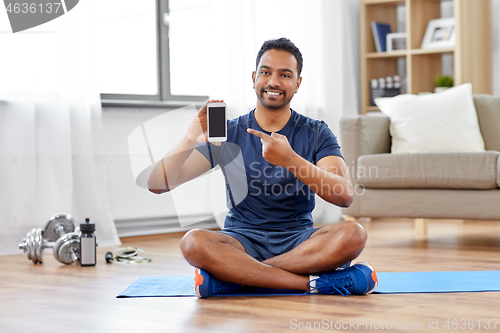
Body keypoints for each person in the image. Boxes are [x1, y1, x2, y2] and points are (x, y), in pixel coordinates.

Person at [148, 38, 377, 298]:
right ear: (254, 77)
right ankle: (311, 284)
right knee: (192, 242)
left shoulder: (316, 132)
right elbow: (157, 184)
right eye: (266, 72)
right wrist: (188, 139)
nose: (274, 82)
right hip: (240, 240)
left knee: (353, 234)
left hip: (298, 241)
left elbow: (344, 196)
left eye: (285, 75)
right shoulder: (227, 133)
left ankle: (237, 278)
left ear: (298, 83)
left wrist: (291, 160)